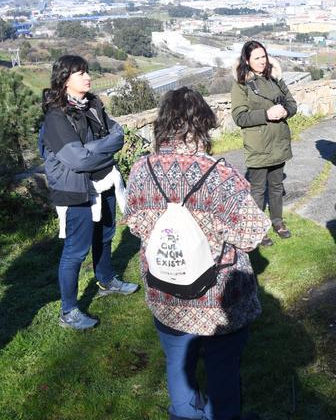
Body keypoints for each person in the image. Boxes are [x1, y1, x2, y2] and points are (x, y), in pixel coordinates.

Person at [124, 87, 269, 420]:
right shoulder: (219, 174)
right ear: (203, 123)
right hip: (218, 298)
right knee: (222, 369)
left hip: (166, 288)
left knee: (177, 364)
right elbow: (251, 233)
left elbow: (134, 224)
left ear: (163, 124)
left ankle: (185, 414)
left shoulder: (140, 170)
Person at [38, 55, 138, 330]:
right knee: (75, 251)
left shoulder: (93, 104)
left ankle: (106, 280)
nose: (87, 77)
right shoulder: (56, 117)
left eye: (87, 71)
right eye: (80, 73)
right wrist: (104, 149)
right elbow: (78, 160)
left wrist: (97, 150)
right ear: (65, 79)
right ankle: (68, 311)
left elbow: (117, 134)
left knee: (105, 236)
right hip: (74, 190)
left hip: (102, 181)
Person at [231, 40, 298, 247]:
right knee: (258, 190)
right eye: (256, 58)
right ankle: (257, 229)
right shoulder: (241, 83)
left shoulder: (276, 78)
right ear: (247, 60)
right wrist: (266, 114)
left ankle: (277, 221)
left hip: (279, 140)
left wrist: (286, 111)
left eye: (263, 56)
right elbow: (239, 117)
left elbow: (292, 103)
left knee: (276, 186)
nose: (261, 61)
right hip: (259, 143)